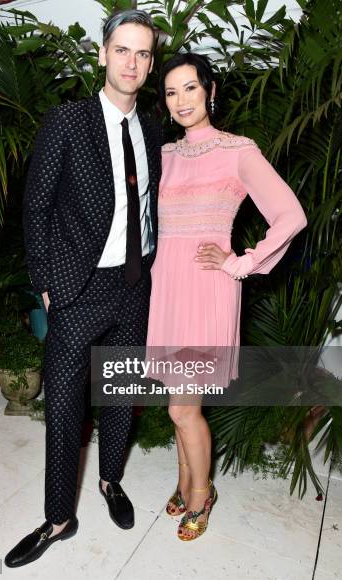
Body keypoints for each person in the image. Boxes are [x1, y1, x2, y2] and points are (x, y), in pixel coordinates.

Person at [4, 9, 161, 568]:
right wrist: (47, 285)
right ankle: (57, 519)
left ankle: (111, 480)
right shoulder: (67, 122)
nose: (133, 62)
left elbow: (152, 204)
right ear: (102, 54)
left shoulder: (152, 127)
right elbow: (36, 207)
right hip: (77, 287)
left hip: (135, 283)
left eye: (143, 53)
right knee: (66, 409)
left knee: (120, 393)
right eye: (123, 49)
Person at [145, 52, 307, 541]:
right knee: (178, 401)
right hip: (168, 286)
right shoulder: (167, 155)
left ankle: (202, 495)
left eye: (190, 88)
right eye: (171, 92)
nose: (181, 100)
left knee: (182, 409)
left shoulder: (238, 150)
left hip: (207, 289)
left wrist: (241, 262)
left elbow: (291, 216)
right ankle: (183, 482)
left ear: (210, 91)